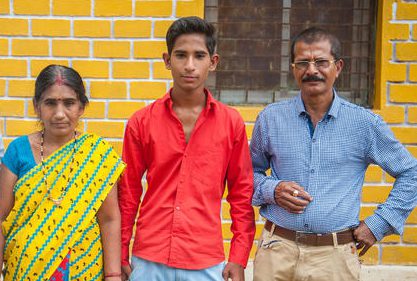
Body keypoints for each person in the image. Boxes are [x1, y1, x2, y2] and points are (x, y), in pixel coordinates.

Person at [250, 27, 417, 281]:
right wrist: (272, 190)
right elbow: (246, 175)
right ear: (293, 68)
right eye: (303, 62)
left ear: (338, 67)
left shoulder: (364, 124)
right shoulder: (270, 119)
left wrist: (379, 224)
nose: (312, 70)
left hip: (335, 258)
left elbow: (411, 172)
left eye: (321, 62)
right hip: (277, 253)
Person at [119, 16, 255, 281]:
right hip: (149, 258)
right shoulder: (141, 121)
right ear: (167, 60)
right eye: (181, 55)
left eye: (199, 56)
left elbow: (241, 193)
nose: (189, 65)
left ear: (213, 62)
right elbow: (128, 193)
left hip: (204, 258)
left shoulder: (231, 123)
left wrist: (239, 258)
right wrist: (121, 252)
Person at [0, 65, 125, 281]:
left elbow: (109, 219)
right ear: (36, 106)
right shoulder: (18, 151)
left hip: (82, 268)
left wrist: (113, 275)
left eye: (69, 103)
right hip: (24, 270)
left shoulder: (97, 155)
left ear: (82, 107)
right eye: (50, 103)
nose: (60, 114)